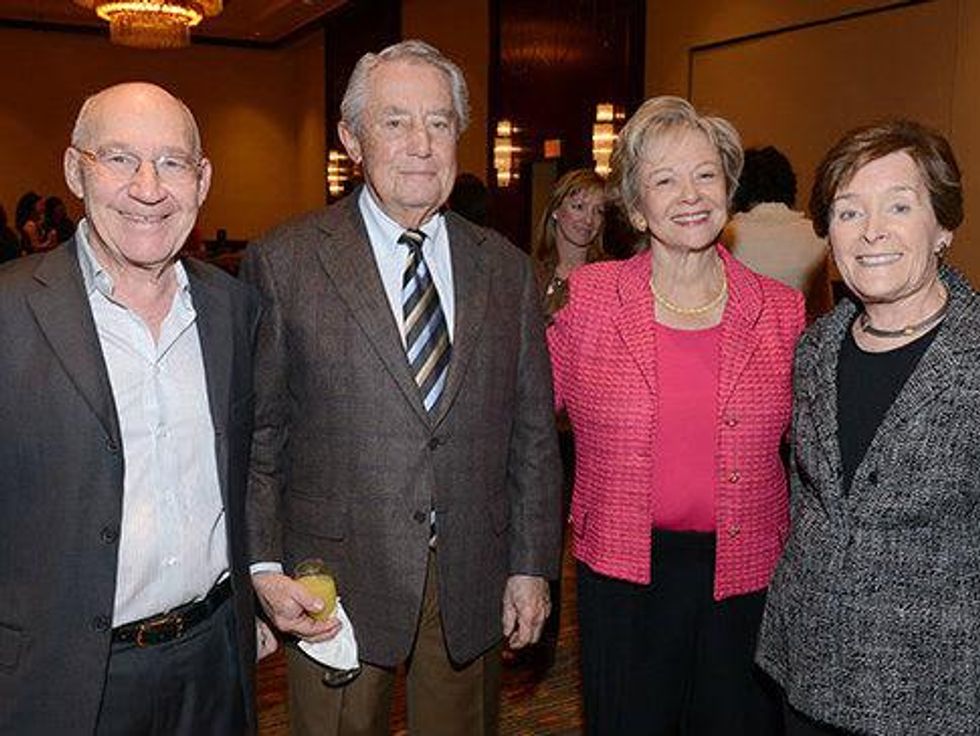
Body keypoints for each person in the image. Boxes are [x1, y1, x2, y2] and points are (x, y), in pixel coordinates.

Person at [241, 40, 561, 736]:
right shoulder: (285, 262)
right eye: (395, 122)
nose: (421, 143)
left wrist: (532, 565)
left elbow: (533, 435)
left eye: (440, 123)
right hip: (335, 582)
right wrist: (262, 567)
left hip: (470, 578)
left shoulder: (506, 272)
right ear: (352, 138)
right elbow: (262, 435)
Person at [0, 82, 273, 736]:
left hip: (215, 661)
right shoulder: (9, 313)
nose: (148, 188)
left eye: (173, 163)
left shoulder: (233, 309)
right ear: (75, 169)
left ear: (202, 180)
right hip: (63, 679)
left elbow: (253, 466)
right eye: (119, 158)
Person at [548, 96, 805, 735]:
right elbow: (523, 430)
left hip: (747, 576)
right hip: (623, 575)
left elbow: (813, 456)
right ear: (636, 206)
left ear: (728, 190)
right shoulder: (587, 300)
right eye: (665, 180)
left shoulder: (781, 310)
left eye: (706, 175)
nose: (690, 195)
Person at [756, 121, 980, 735]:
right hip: (808, 679)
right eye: (849, 212)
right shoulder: (815, 349)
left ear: (943, 227)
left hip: (939, 696)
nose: (872, 230)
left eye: (899, 207)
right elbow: (807, 504)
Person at [725, 146, 833, 319]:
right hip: (797, 338)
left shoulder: (725, 236)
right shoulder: (816, 234)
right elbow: (822, 309)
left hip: (740, 338)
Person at [531, 167, 606, 317]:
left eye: (598, 211)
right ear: (556, 210)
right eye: (579, 207)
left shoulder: (609, 278)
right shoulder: (530, 273)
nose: (589, 220)